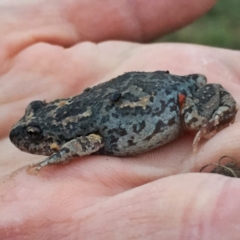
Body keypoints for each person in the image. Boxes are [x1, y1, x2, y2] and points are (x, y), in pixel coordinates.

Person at [1, 0, 240, 239]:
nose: (27, 137)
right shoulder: (74, 119)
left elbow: (90, 142)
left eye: (34, 134)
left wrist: (59, 157)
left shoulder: (76, 128)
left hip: (177, 94)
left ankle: (224, 104)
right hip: (149, 89)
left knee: (195, 119)